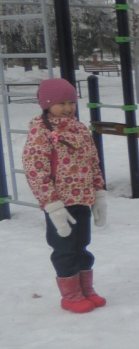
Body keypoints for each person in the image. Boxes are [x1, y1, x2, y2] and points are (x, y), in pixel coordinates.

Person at [22, 78, 108, 312]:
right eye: (61, 103)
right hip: (59, 205)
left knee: (82, 246)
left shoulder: (80, 129)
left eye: (71, 102)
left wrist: (98, 194)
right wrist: (52, 205)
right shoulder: (41, 132)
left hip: (82, 200)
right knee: (64, 249)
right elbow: (35, 170)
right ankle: (71, 295)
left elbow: (93, 161)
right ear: (47, 104)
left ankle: (85, 289)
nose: (68, 108)